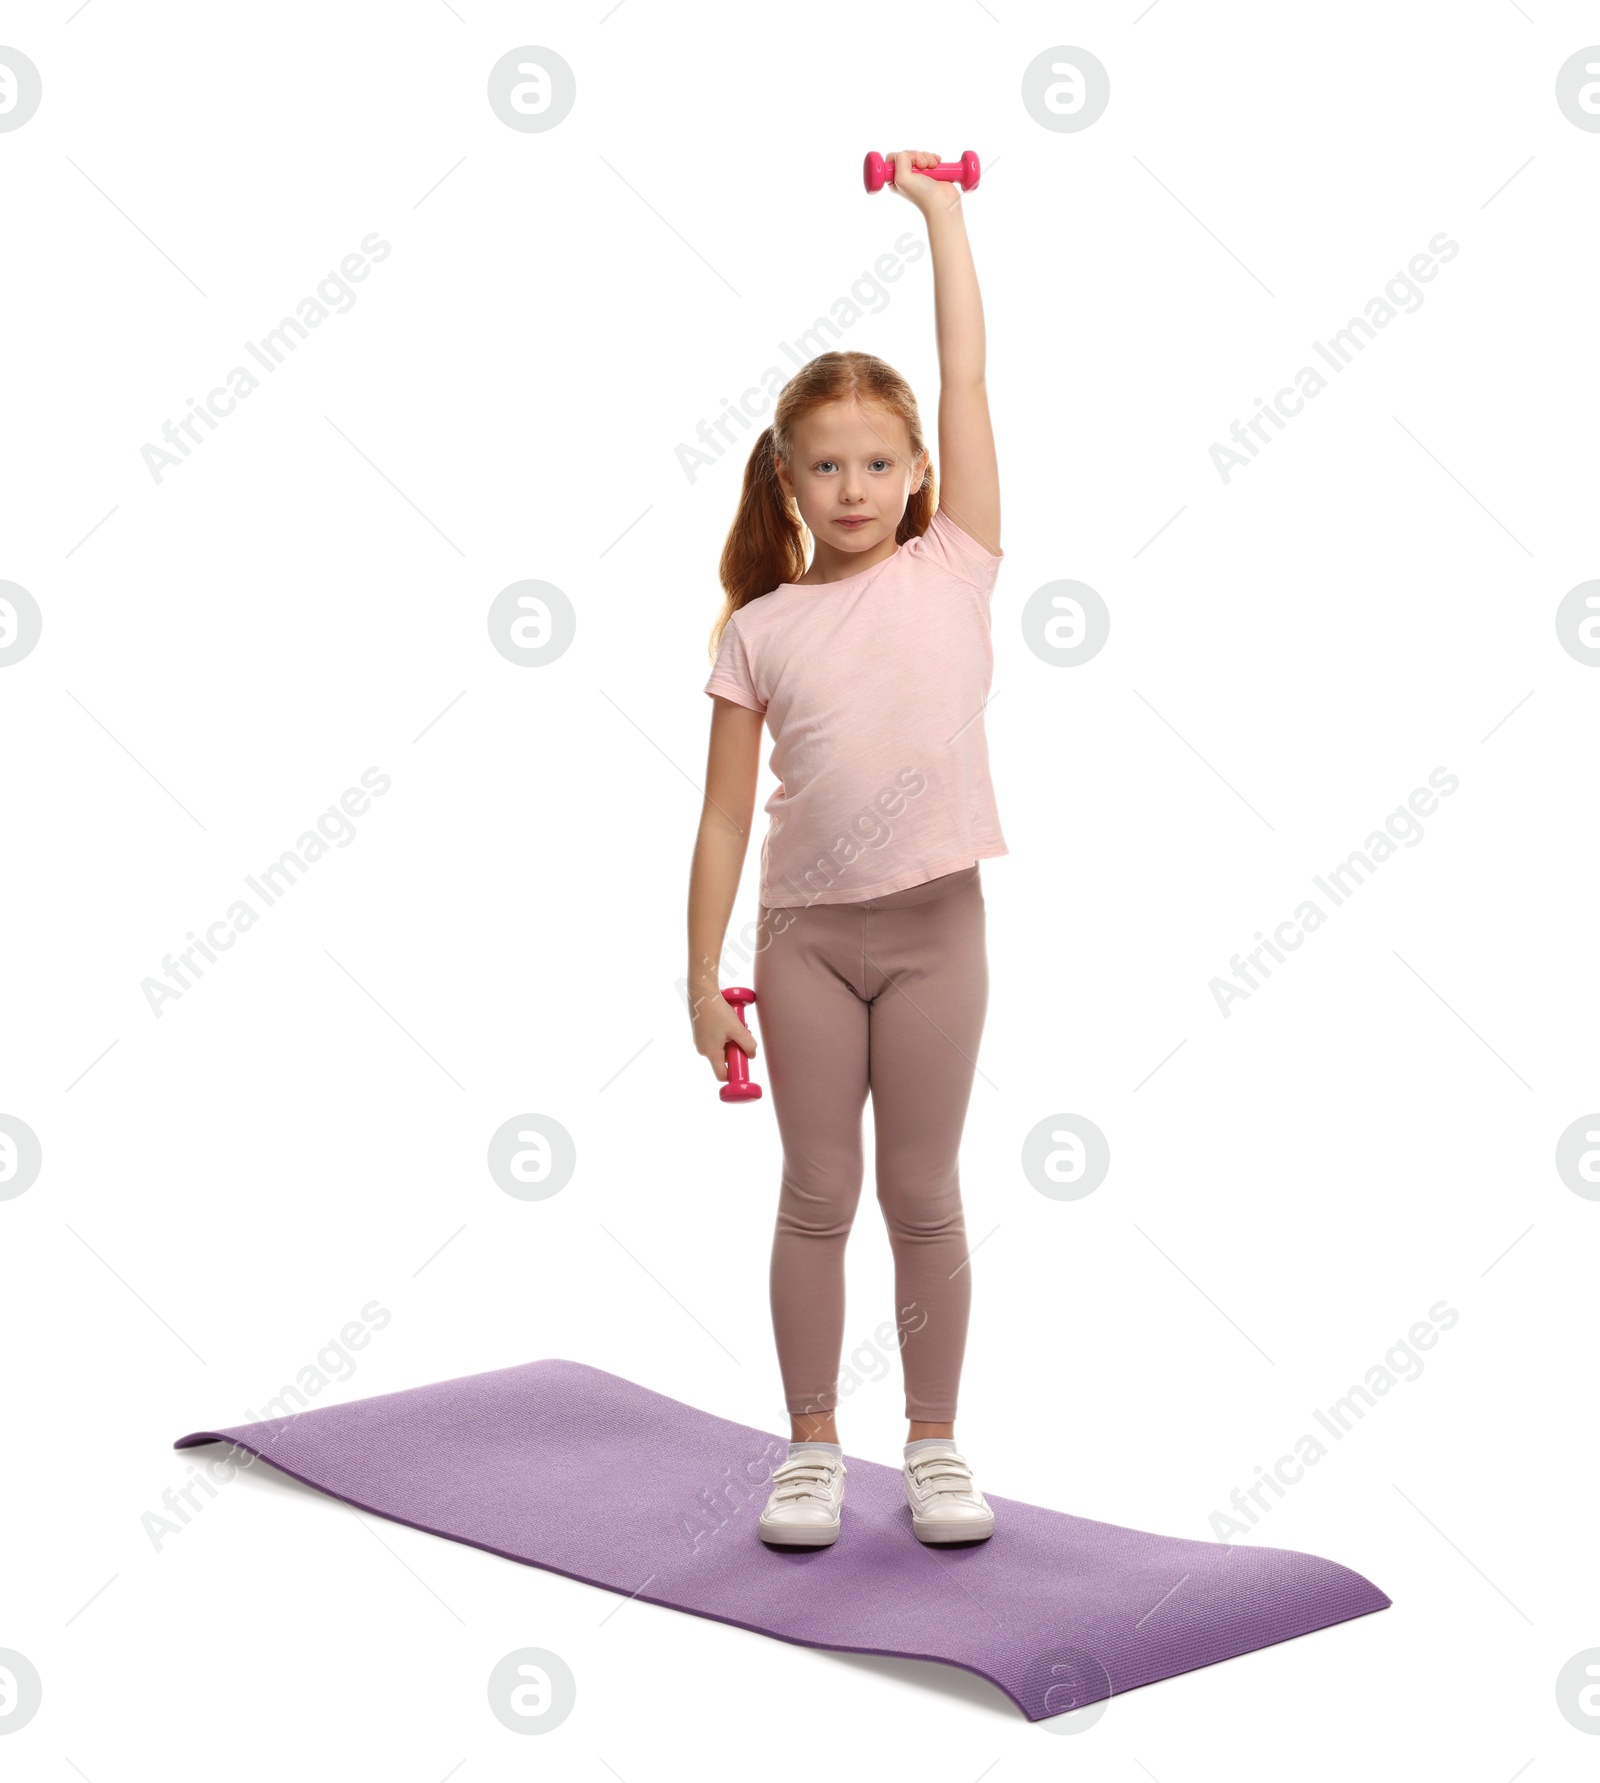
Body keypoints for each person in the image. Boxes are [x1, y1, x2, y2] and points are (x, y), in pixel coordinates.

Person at [686, 150, 1006, 1550]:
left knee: (921, 1192)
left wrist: (940, 217)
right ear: (790, 479)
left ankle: (933, 1443)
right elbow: (717, 816)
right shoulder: (760, 629)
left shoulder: (958, 564)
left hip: (938, 931)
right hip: (805, 943)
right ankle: (811, 1445)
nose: (856, 483)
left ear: (921, 468)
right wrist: (703, 977)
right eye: (828, 465)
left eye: (881, 461)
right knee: (816, 1193)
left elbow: (972, 377)